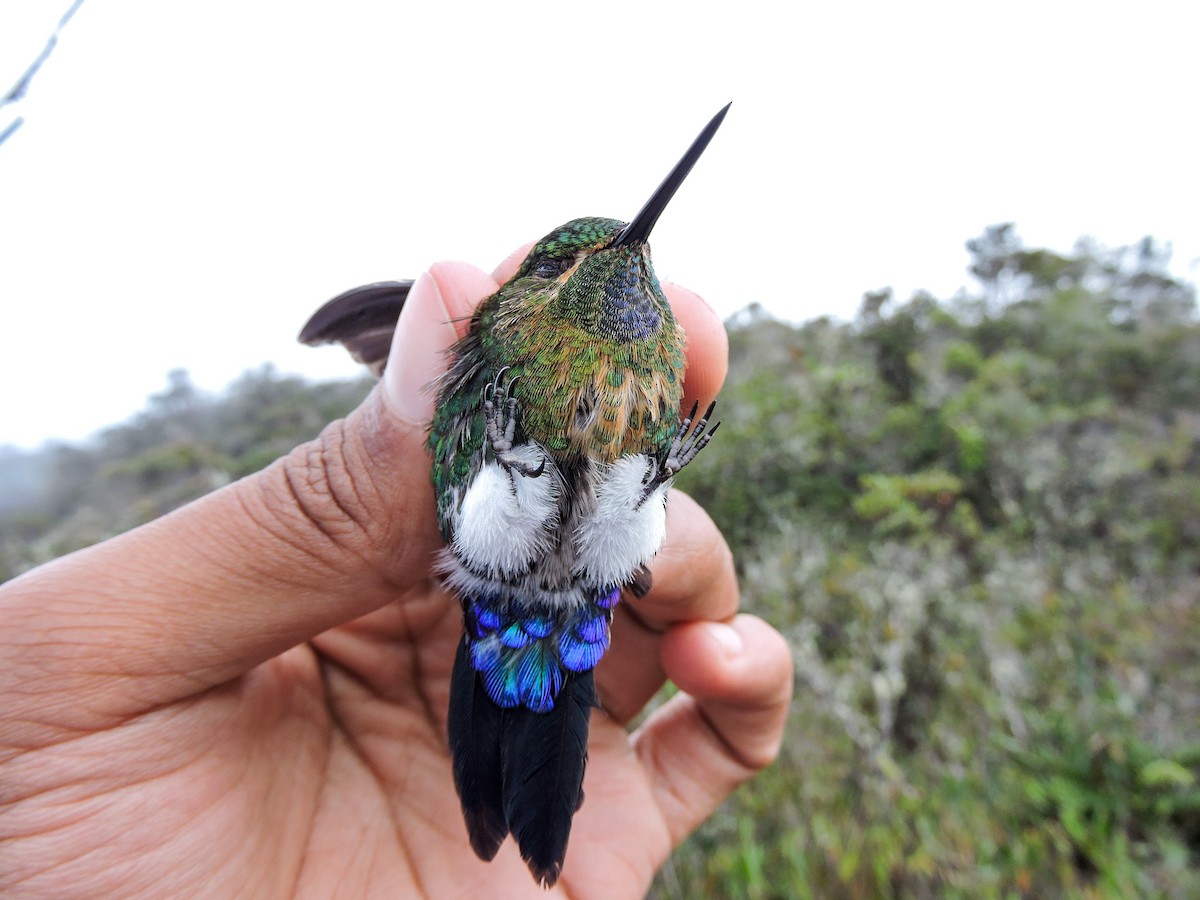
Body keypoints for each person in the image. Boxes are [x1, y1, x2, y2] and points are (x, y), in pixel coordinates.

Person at [0, 250, 794, 897]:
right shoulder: (496, 348)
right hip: (500, 541)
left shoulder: (651, 367)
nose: (614, 267)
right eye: (562, 265)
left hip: (577, 576)